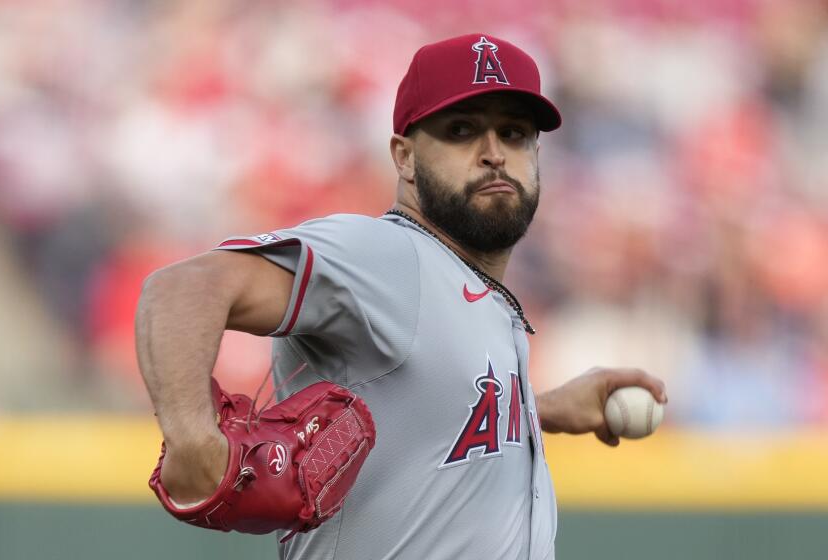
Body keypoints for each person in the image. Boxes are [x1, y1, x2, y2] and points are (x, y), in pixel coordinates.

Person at [135, 33, 667, 560]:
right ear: (405, 158)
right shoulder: (387, 254)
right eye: (462, 131)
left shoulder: (475, 289)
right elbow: (181, 290)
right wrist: (191, 440)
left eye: (514, 133)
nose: (494, 154)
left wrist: (535, 409)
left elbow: (424, 406)